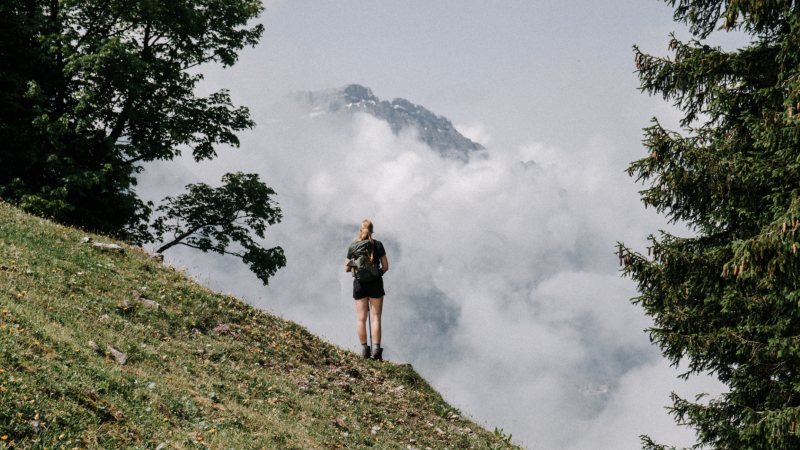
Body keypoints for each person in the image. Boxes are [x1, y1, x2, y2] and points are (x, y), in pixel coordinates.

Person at [345, 220, 389, 360]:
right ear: (372, 230)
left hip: (359, 284)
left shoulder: (353, 246)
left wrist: (356, 262)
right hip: (375, 283)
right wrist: (377, 273)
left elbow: (347, 268)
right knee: (375, 319)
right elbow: (385, 266)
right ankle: (376, 351)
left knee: (361, 318)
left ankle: (364, 350)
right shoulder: (377, 245)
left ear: (360, 229)